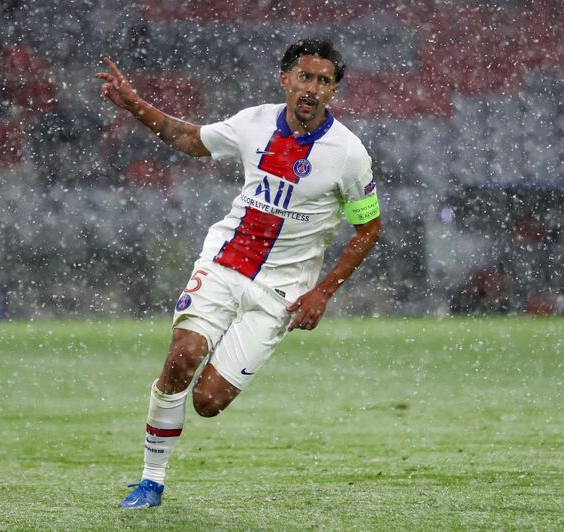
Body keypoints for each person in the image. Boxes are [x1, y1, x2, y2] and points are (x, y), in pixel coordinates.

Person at [95, 37, 381, 509]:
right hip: (224, 263)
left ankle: (218, 374)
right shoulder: (253, 123)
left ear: (333, 91)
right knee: (181, 359)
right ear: (285, 79)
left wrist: (323, 292)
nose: (311, 88)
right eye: (305, 77)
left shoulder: (348, 154)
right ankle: (150, 481)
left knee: (208, 402)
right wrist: (133, 106)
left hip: (280, 294)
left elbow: (368, 229)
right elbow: (191, 140)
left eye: (323, 81)